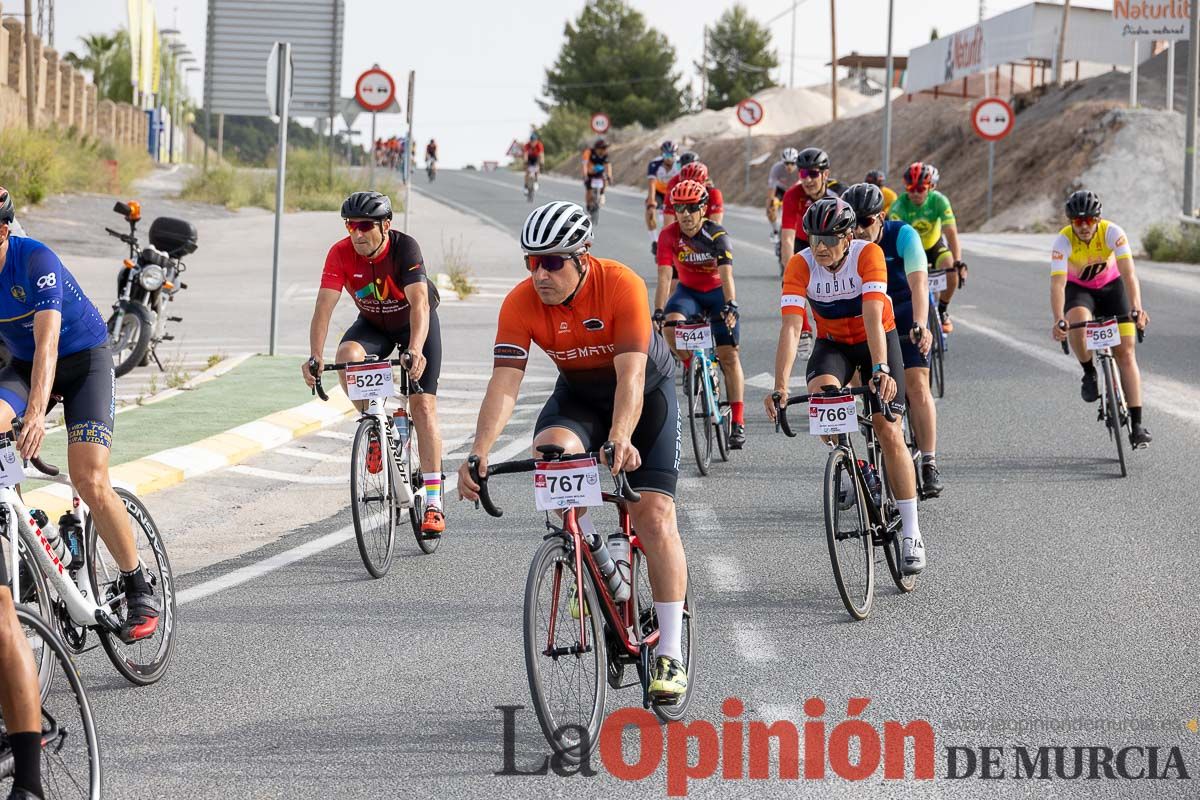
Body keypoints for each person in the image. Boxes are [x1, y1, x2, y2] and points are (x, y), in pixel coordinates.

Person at [458, 201, 690, 702]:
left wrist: (621, 437)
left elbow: (630, 377)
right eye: (531, 262)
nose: (540, 273)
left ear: (582, 257)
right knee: (550, 454)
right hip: (580, 397)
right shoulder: (521, 303)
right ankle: (593, 556)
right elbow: (504, 385)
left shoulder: (621, 284)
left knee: (652, 514)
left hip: (644, 397)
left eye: (553, 262)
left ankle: (669, 652)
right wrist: (479, 451)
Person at [0, 186, 161, 645]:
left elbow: (48, 344)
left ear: (4, 231)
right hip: (24, 365)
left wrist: (35, 416)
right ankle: (38, 533)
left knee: (88, 478)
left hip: (83, 359)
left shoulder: (36, 260)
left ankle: (137, 587)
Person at [764, 197, 926, 574]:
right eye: (814, 238)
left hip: (877, 341)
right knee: (825, 402)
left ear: (848, 237)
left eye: (829, 239)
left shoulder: (868, 255)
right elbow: (791, 326)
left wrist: (882, 369)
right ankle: (857, 466)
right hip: (833, 344)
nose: (819, 247)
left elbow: (873, 316)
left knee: (888, 429)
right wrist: (780, 386)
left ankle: (912, 532)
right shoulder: (800, 264)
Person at [303, 191, 448, 536]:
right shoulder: (340, 253)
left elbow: (420, 306)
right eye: (351, 225)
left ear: (385, 225)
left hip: (414, 324)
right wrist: (315, 356)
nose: (357, 233)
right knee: (347, 357)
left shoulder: (405, 248)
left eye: (365, 226)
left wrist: (414, 349)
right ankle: (374, 428)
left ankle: (432, 502)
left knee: (423, 408)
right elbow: (324, 307)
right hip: (374, 324)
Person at [845, 182, 943, 497]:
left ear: (882, 216)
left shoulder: (903, 235)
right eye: (852, 222)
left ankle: (928, 461)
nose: (858, 230)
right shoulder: (845, 244)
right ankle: (864, 461)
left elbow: (919, 284)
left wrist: (920, 324)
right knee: (854, 387)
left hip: (902, 315)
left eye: (866, 221)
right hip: (866, 322)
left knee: (916, 386)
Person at [1050, 190, 1151, 447]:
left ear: (1098, 219)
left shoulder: (1113, 232)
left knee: (1126, 354)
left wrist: (1137, 307)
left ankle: (1137, 424)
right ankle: (1088, 372)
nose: (1084, 227)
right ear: (1071, 222)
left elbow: (1129, 275)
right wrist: (1059, 319)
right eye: (1077, 222)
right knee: (1078, 323)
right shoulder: (1063, 241)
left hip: (1111, 287)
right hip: (1079, 290)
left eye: (1089, 221)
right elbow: (1058, 285)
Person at [654, 180, 746, 448]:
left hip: (717, 293)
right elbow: (663, 276)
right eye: (679, 208)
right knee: (670, 326)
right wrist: (658, 311)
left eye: (691, 208)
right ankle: (690, 366)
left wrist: (731, 304)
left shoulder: (717, 235)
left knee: (729, 356)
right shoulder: (668, 235)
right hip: (689, 293)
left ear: (703, 208)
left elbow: (727, 274)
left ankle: (738, 421)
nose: (685, 214)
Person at [779, 147, 846, 352]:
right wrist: (790, 269)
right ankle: (804, 328)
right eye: (802, 174)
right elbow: (787, 238)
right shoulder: (793, 195)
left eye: (813, 173)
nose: (807, 180)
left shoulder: (840, 192)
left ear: (825, 174)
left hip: (834, 241)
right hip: (804, 241)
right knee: (790, 280)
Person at [888, 162, 965, 334]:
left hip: (932, 246)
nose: (915, 193)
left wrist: (959, 261)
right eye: (910, 188)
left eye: (920, 188)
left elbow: (951, 233)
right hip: (909, 251)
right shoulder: (898, 206)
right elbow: (892, 238)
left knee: (951, 271)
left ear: (931, 187)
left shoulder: (939, 201)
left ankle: (943, 310)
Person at [663, 161, 724, 227]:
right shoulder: (673, 194)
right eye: (686, 183)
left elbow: (715, 225)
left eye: (695, 184)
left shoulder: (714, 194)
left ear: (705, 182)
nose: (690, 187)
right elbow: (668, 225)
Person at [645, 141, 680, 256]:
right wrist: (651, 201)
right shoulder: (655, 164)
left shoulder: (680, 163)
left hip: (674, 192)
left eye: (671, 155)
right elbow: (651, 183)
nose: (669, 158)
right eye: (666, 155)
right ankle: (654, 241)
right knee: (650, 211)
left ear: (676, 154)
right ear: (662, 154)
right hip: (659, 192)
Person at [581, 138, 612, 215]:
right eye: (603, 148)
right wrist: (585, 175)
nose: (604, 150)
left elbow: (608, 166)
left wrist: (609, 176)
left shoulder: (605, 154)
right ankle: (588, 204)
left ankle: (602, 194)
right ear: (597, 148)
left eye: (605, 148)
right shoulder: (588, 152)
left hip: (599, 173)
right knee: (589, 190)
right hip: (589, 173)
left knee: (605, 180)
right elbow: (584, 165)